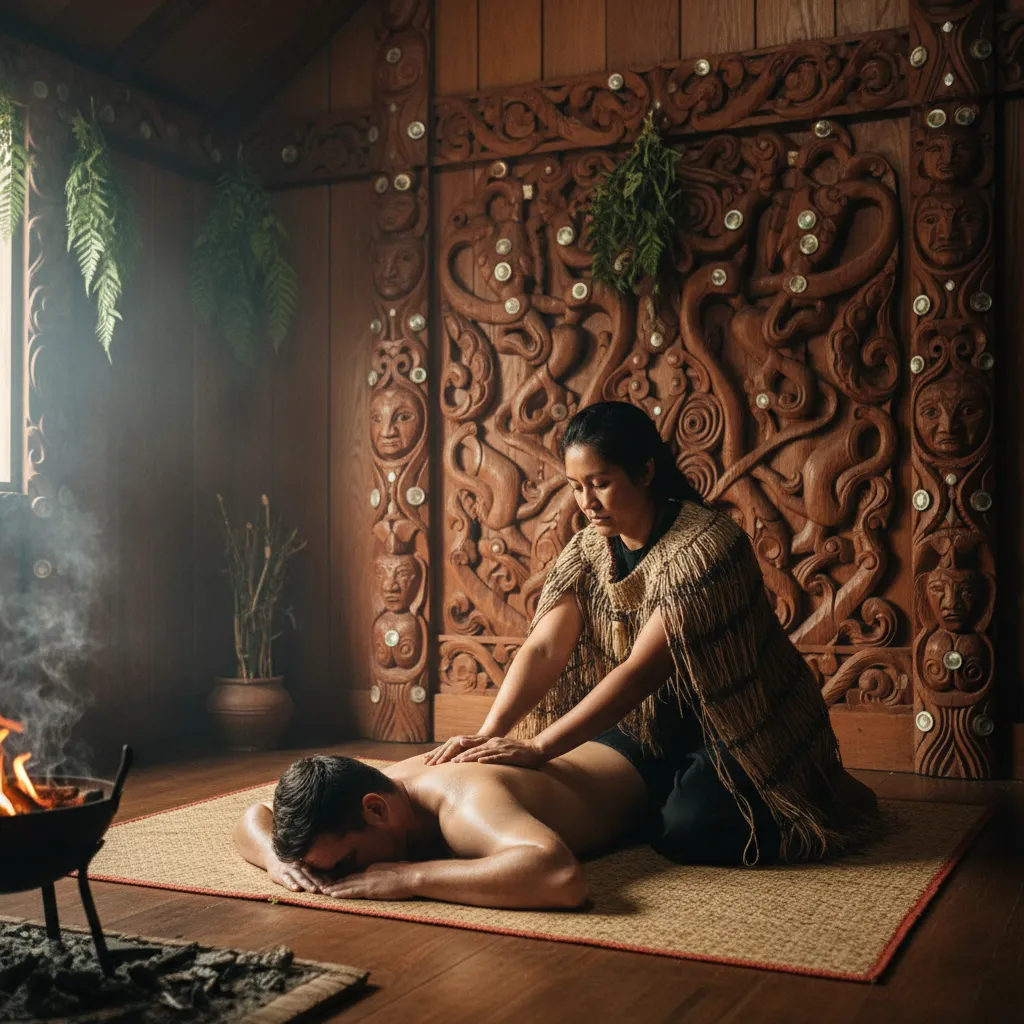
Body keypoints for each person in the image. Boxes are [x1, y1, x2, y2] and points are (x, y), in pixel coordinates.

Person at [425, 401, 878, 866]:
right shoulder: (588, 547)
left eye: (600, 483)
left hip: (739, 714)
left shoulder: (704, 546)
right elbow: (543, 648)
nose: (587, 502)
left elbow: (642, 669)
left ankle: (823, 788)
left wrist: (539, 747)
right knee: (600, 797)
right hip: (655, 717)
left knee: (684, 833)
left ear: (644, 472)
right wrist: (488, 735)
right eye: (576, 487)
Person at [233, 742, 651, 909]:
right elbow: (254, 814)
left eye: (346, 863)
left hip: (650, 761)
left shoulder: (461, 801)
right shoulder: (357, 794)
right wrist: (276, 859)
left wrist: (411, 876)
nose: (335, 877)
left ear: (376, 811)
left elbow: (560, 876)